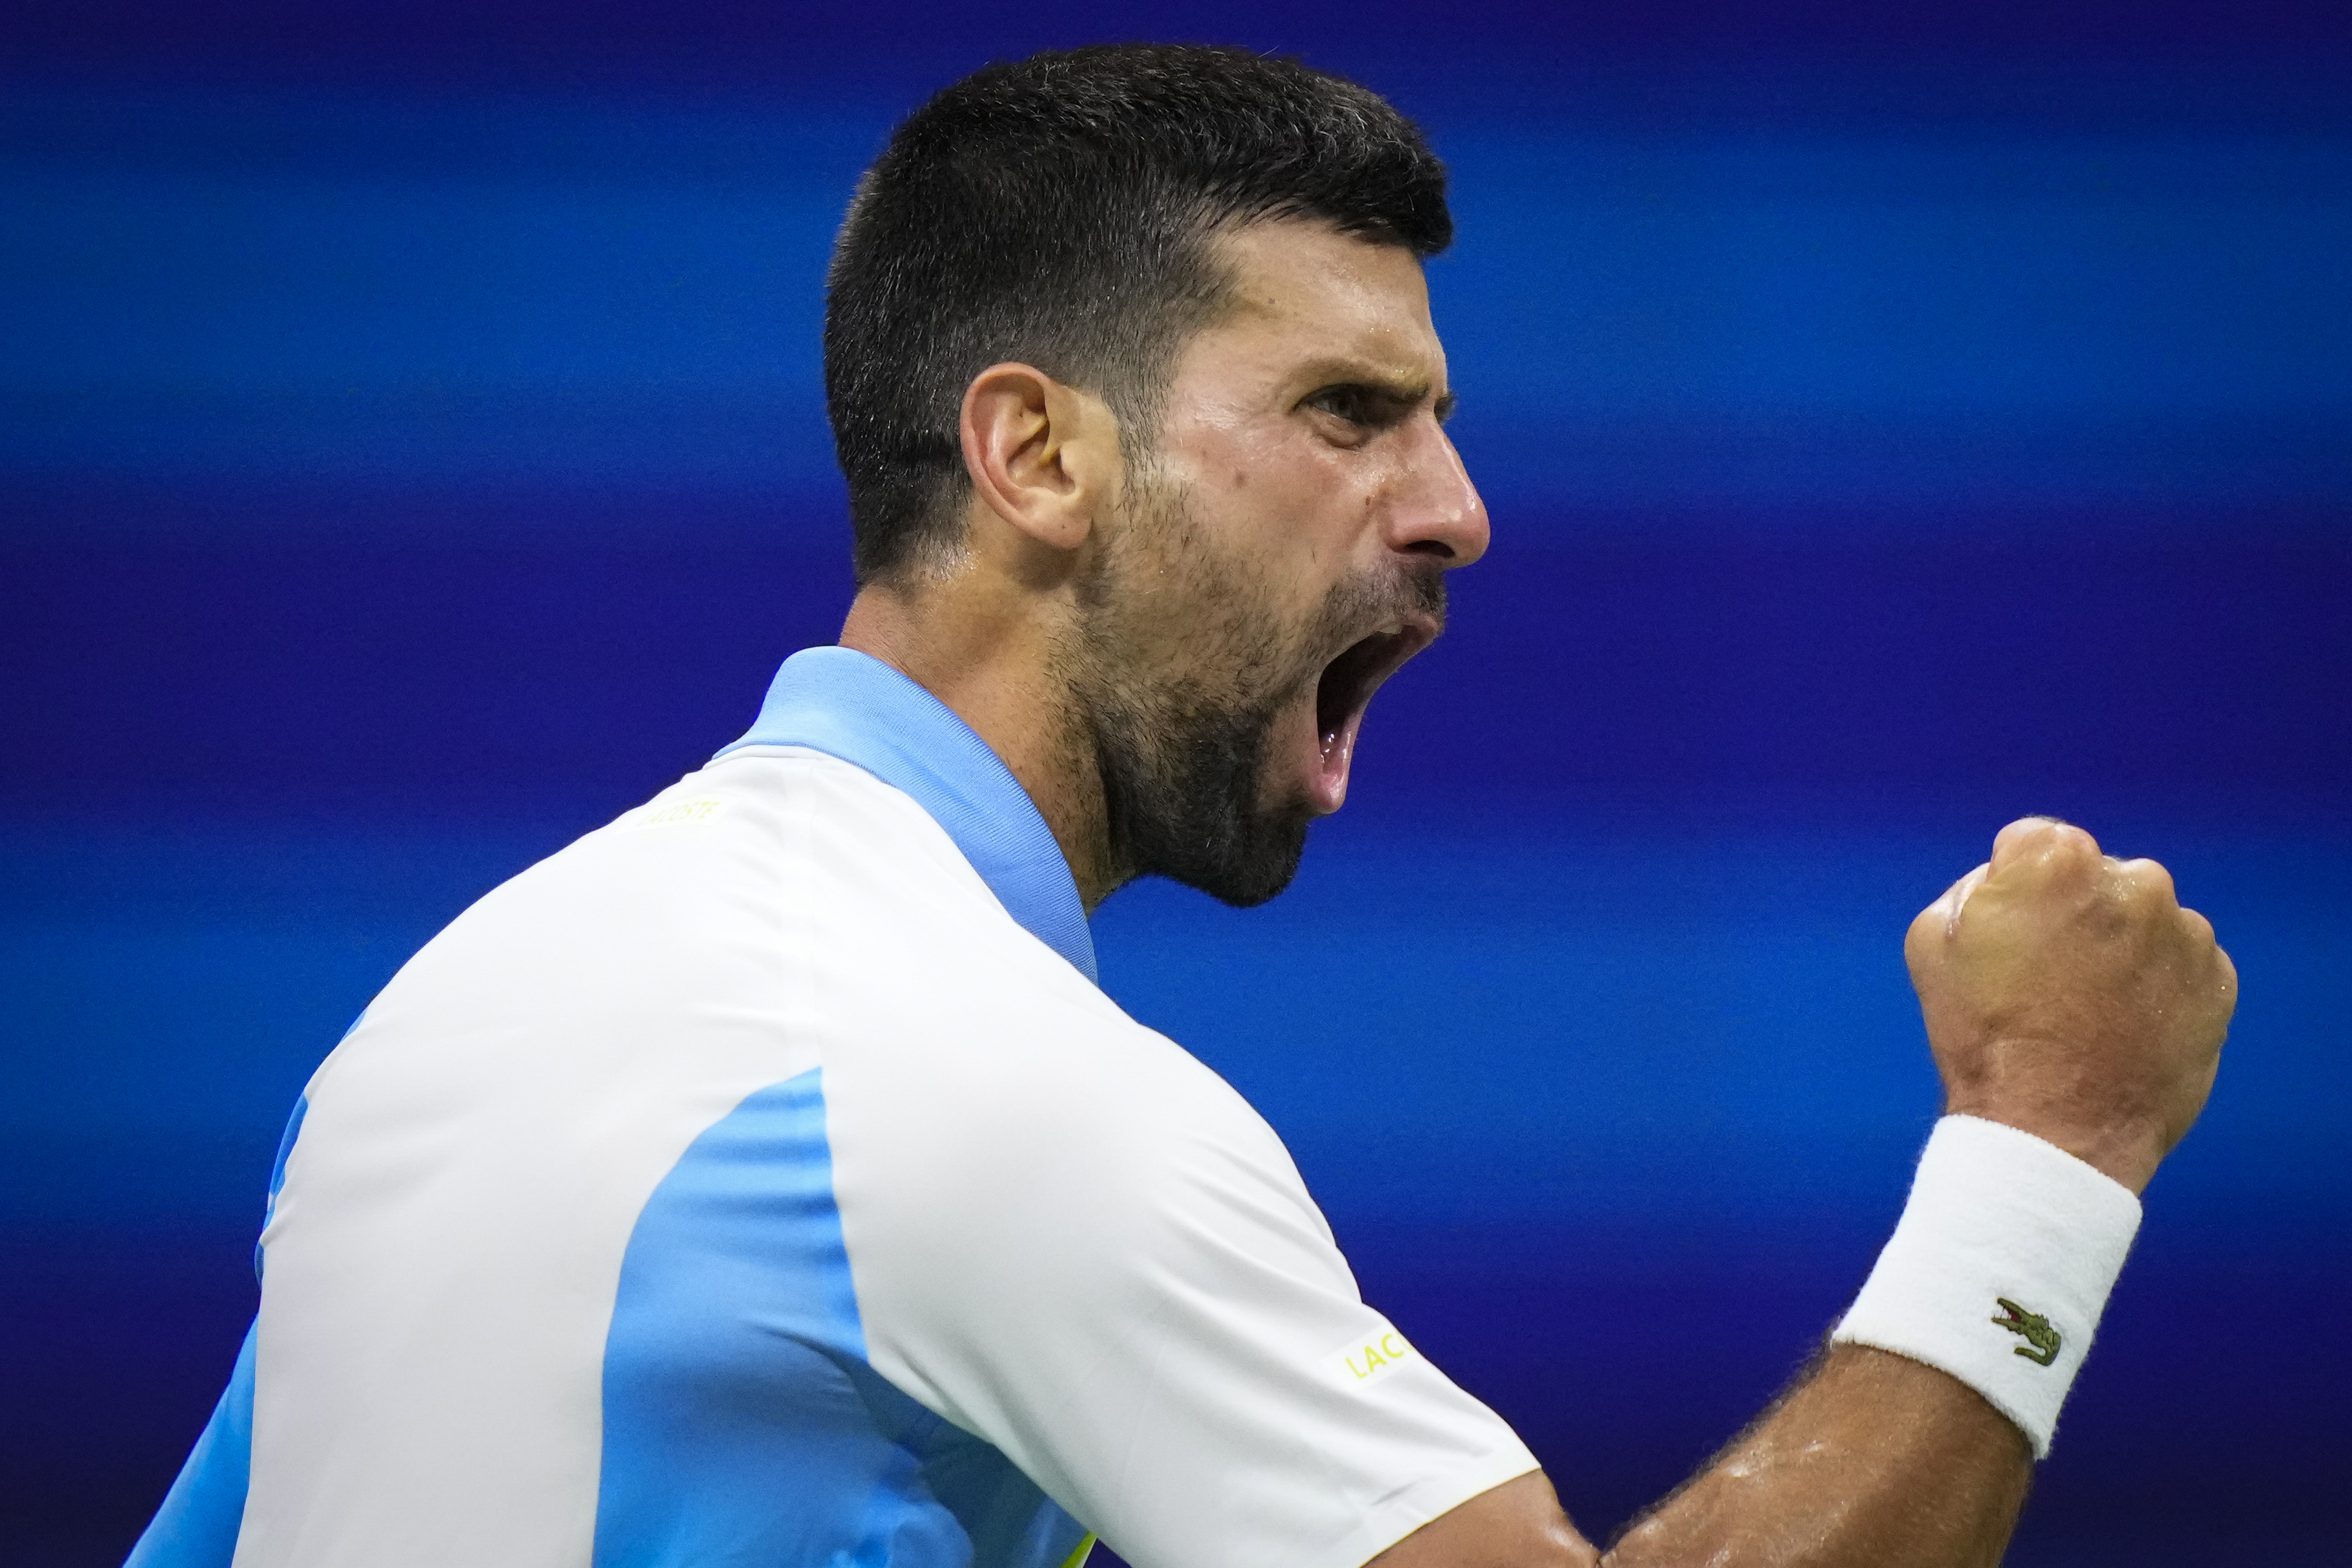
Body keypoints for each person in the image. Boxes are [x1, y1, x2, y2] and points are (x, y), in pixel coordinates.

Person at [126, 43, 2236, 1568]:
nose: (1462, 513)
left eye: (1440, 423)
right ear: (1036, 456)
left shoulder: (443, 1015)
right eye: (1347, 412)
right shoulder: (971, 1094)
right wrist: (2048, 1148)